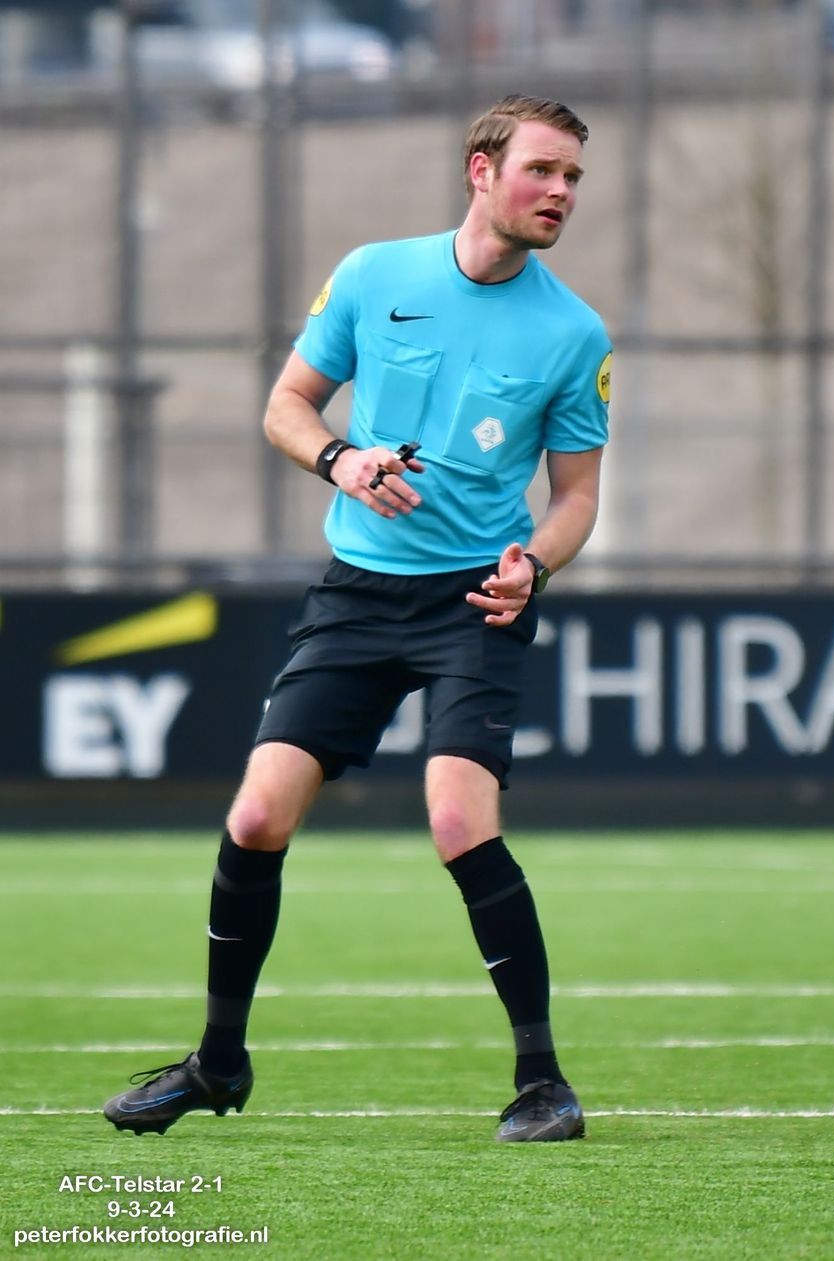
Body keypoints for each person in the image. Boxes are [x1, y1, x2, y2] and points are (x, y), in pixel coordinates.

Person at [103, 95, 612, 1141]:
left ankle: (543, 1082)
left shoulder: (575, 332)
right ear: (481, 170)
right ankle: (217, 1063)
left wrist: (536, 563)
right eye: (542, 170)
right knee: (256, 818)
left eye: (572, 177)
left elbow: (576, 498)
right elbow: (286, 407)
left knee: (459, 821)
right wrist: (340, 459)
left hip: (476, 599)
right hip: (357, 593)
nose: (561, 192)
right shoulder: (376, 275)